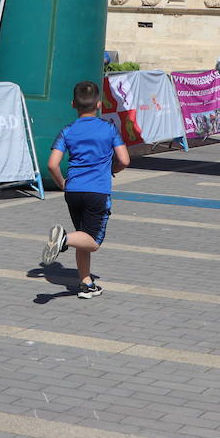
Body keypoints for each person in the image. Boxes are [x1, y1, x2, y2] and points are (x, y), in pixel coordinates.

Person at [38, 80, 130, 299]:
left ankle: (86, 283)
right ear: (98, 104)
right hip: (97, 191)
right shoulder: (108, 128)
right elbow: (124, 160)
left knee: (83, 235)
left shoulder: (68, 131)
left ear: (73, 104)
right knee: (94, 242)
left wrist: (62, 184)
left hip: (74, 191)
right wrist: (112, 170)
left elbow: (52, 164)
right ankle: (63, 240)